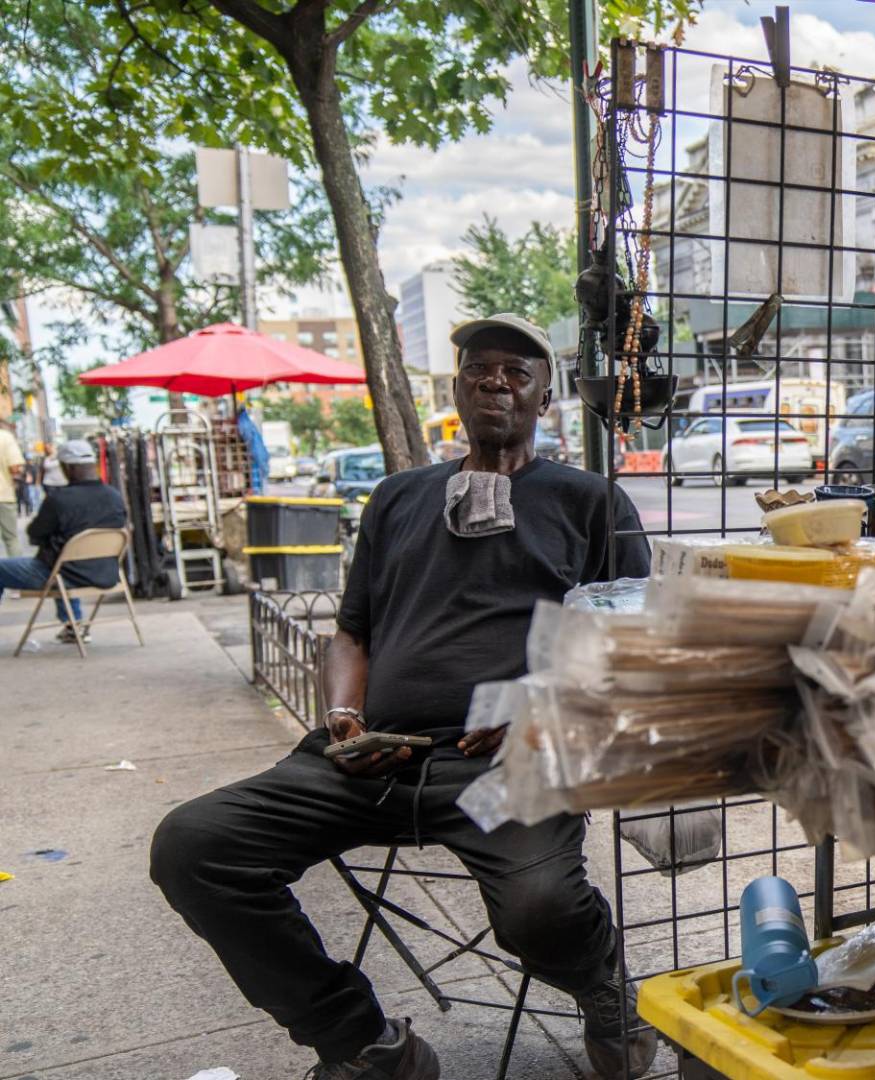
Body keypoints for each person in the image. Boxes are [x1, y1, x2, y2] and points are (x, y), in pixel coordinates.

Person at [150, 314, 653, 1080]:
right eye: (479, 368)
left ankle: (602, 989)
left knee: (540, 909)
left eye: (517, 373)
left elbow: (630, 642)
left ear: (545, 400)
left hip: (511, 762)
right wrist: (342, 716)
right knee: (195, 846)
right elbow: (351, 633)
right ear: (456, 389)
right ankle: (363, 1042)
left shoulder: (593, 503)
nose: (495, 382)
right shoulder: (396, 498)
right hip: (375, 757)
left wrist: (539, 701)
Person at [0, 438, 127, 642]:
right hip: (106, 572)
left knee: (48, 562)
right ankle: (73, 626)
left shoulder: (59, 499)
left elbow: (34, 534)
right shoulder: (114, 496)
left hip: (66, 574)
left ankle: (73, 623)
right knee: (62, 557)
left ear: (68, 468)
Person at [0, 417, 25, 556]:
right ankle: (15, 568)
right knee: (11, 539)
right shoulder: (5, 437)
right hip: (3, 495)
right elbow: (15, 468)